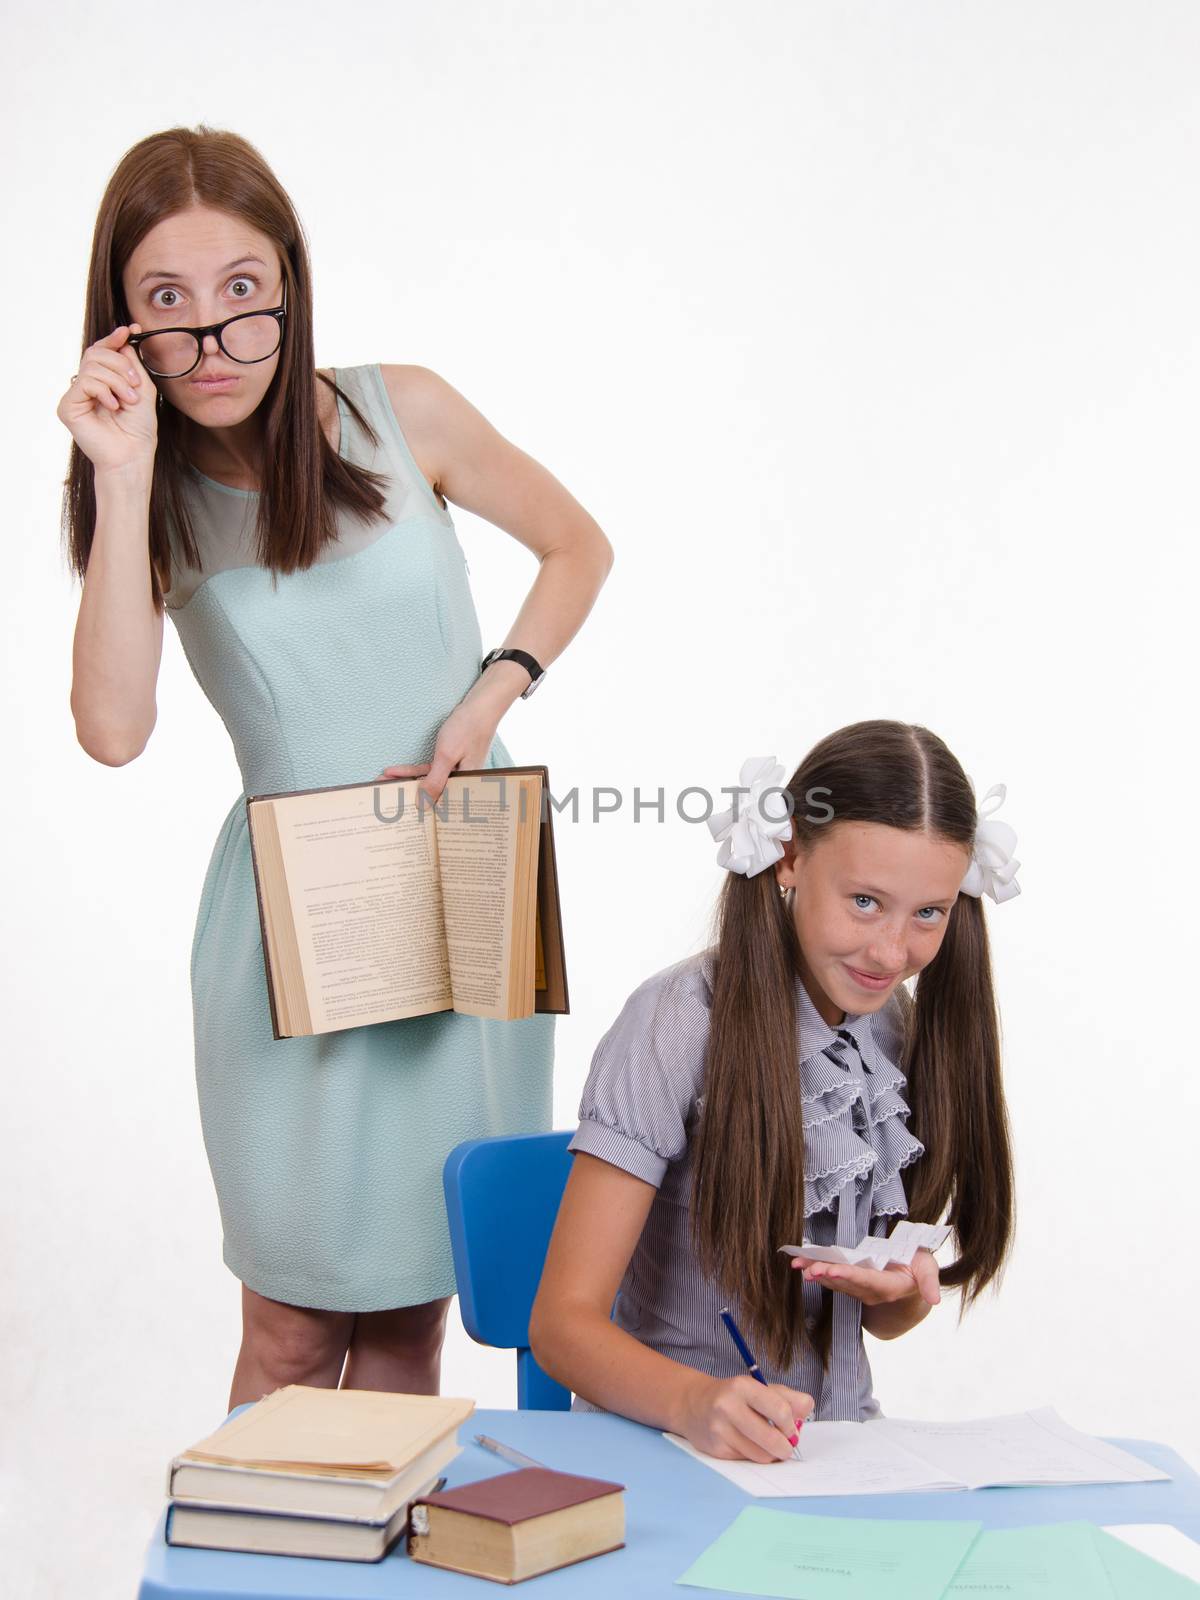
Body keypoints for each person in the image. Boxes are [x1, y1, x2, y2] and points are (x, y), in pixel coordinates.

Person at [59, 125, 613, 1411]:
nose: (212, 340)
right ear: (120, 325)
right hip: (296, 920)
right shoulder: (145, 491)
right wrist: (124, 473)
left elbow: (578, 544)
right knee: (293, 1329)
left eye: (243, 293)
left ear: (291, 286)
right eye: (167, 304)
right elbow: (111, 727)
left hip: (464, 877)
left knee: (417, 1320)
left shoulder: (396, 408)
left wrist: (495, 686)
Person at [530, 721, 1018, 1463]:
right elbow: (562, 1326)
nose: (892, 952)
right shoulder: (676, 1022)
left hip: (832, 1456)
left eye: (929, 913)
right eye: (864, 901)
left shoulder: (894, 1031)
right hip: (671, 1450)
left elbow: (870, 1324)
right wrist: (695, 1402)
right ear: (788, 858)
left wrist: (902, 1296)